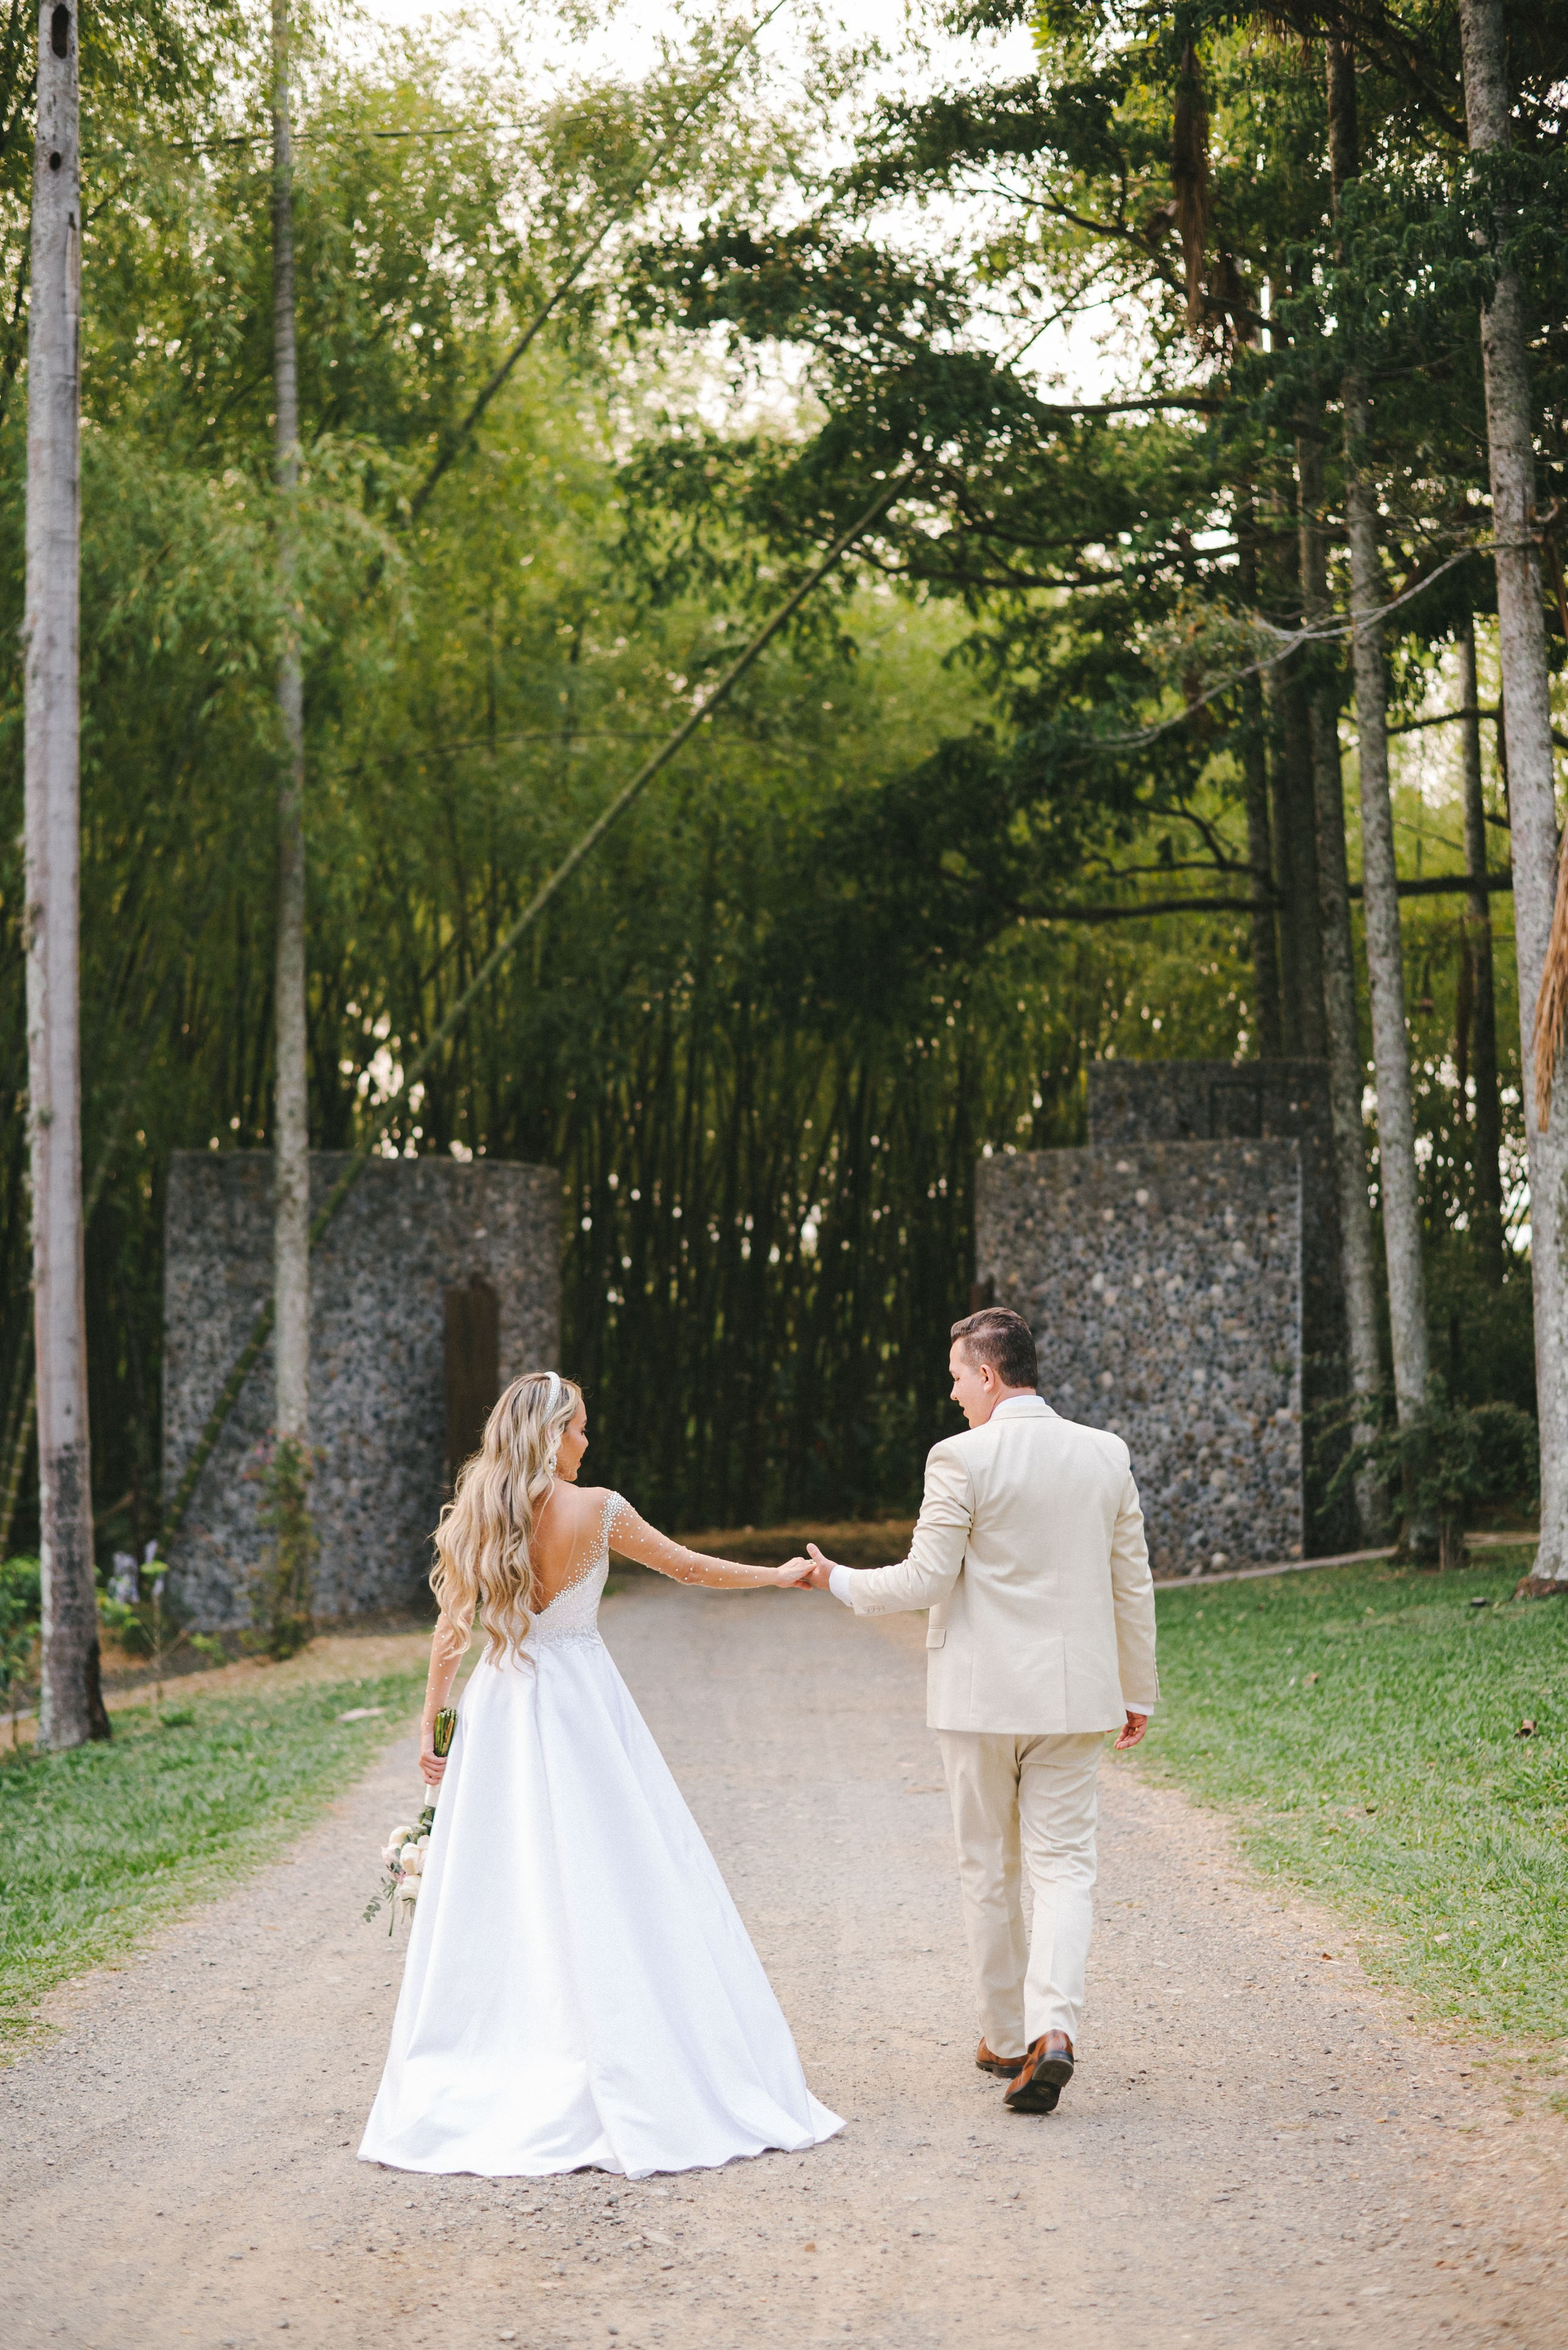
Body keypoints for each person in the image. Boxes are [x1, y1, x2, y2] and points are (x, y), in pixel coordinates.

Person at [360, 1370, 842, 2179]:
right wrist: (776, 1575)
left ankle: (504, 2051)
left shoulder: (482, 1507)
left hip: (502, 1708)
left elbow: (453, 1633)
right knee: (614, 1872)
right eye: (580, 1427)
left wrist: (432, 1723)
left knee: (506, 1881)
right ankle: (624, 2049)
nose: (588, 1440)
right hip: (582, 1707)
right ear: (552, 1434)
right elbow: (686, 1568)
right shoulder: (599, 1509)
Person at [796, 1305, 1157, 2115]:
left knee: (989, 1868)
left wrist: (839, 1582)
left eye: (958, 1376)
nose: (953, 1392)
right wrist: (1138, 1690)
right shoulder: (1105, 1455)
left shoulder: (959, 1458)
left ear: (988, 1374)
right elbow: (1130, 1581)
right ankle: (1055, 2029)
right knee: (1065, 1868)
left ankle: (1004, 2037)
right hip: (1074, 1699)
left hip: (979, 1702)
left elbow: (925, 1580)